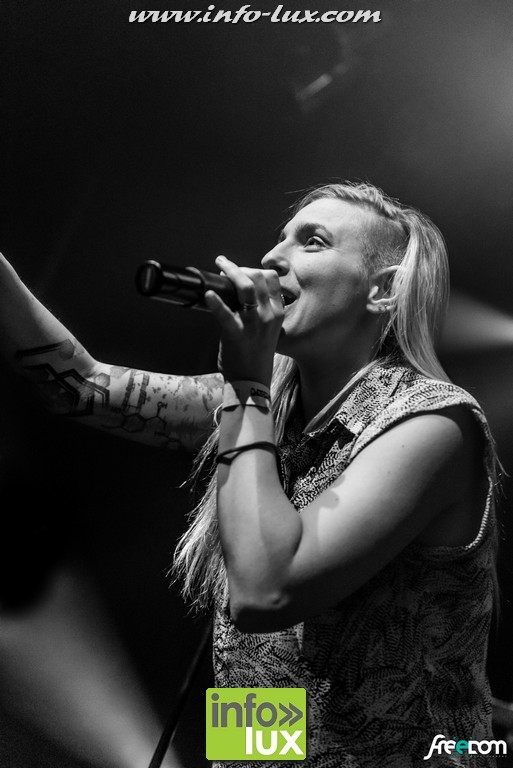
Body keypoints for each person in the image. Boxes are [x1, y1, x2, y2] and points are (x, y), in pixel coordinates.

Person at [0, 181, 500, 767]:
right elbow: (82, 387)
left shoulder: (433, 424)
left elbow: (266, 591)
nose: (270, 258)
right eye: (279, 238)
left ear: (383, 291)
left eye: (313, 241)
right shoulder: (264, 405)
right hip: (265, 742)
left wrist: (246, 389)